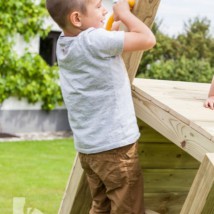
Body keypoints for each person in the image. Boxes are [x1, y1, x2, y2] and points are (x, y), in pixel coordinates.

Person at [46, 0, 156, 213]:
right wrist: (124, 15)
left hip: (90, 151)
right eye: (98, 6)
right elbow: (147, 39)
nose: (104, 9)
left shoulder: (64, 44)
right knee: (129, 209)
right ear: (77, 18)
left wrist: (109, 26)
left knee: (101, 206)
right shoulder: (94, 41)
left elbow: (96, 47)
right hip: (116, 148)